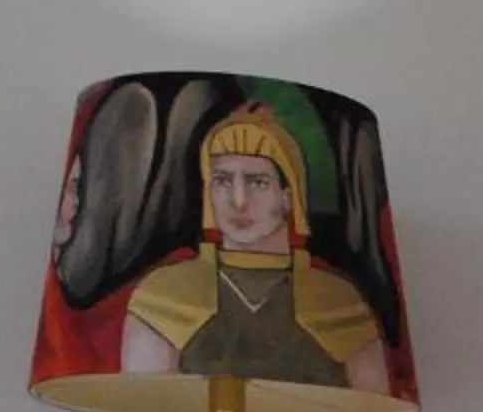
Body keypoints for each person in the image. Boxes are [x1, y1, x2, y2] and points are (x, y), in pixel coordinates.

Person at [120, 103, 391, 394]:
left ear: (288, 196)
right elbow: (147, 403)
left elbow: (373, 403)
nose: (238, 200)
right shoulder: (164, 295)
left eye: (258, 182)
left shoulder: (338, 302)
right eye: (222, 181)